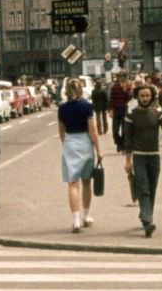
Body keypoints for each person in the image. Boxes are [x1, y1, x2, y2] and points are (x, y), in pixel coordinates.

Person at [123, 85, 162, 238]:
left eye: (147, 95)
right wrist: (128, 161)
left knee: (152, 189)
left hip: (154, 157)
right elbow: (128, 140)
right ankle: (148, 221)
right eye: (142, 96)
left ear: (152, 96)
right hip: (139, 157)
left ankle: (145, 214)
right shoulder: (131, 114)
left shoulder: (157, 112)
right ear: (137, 97)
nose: (145, 98)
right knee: (143, 189)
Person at [58, 79, 103, 233]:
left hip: (70, 142)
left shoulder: (62, 108)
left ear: (66, 91)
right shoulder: (87, 106)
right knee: (86, 182)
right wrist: (98, 150)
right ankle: (86, 216)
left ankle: (76, 220)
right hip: (85, 143)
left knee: (72, 183)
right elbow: (93, 130)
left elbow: (61, 131)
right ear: (81, 90)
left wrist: (65, 144)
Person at [109, 75, 131, 152]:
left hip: (125, 110)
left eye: (124, 78)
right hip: (116, 110)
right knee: (115, 130)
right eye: (121, 78)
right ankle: (119, 143)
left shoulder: (128, 87)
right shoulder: (114, 87)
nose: (122, 80)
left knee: (125, 130)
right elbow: (111, 99)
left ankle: (122, 146)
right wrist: (110, 110)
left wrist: (125, 90)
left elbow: (129, 98)